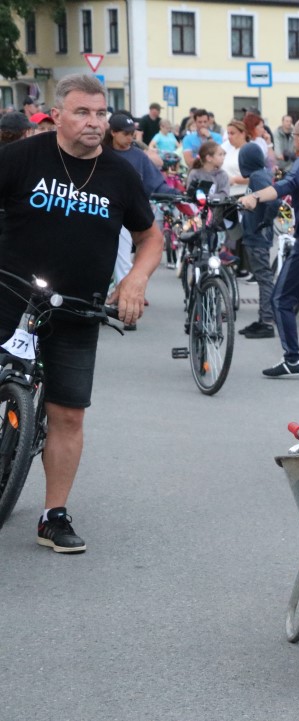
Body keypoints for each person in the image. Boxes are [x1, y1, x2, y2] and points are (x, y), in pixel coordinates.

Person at [0, 74, 162, 553]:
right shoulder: (20, 158)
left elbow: (150, 237)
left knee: (68, 414)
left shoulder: (119, 174)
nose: (95, 122)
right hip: (10, 296)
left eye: (100, 113)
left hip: (77, 309)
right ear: (57, 116)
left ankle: (53, 515)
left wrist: (135, 279)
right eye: (82, 112)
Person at [237, 117, 299, 376]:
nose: (293, 140)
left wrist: (255, 197)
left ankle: (292, 359)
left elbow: (285, 186)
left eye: (294, 136)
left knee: (281, 299)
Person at [105, 112, 178, 319]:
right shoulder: (101, 153)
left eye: (133, 133)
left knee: (123, 257)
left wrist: (175, 194)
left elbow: (156, 183)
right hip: (100, 213)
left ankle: (127, 302)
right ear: (113, 133)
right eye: (126, 134)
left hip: (127, 216)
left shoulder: (138, 156)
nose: (131, 137)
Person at [235, 143, 279, 339]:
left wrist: (264, 222)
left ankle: (267, 322)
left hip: (258, 235)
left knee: (264, 277)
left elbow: (274, 200)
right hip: (255, 234)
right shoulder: (259, 175)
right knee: (262, 277)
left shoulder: (258, 177)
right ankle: (263, 319)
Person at [221, 119, 249, 196]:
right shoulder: (229, 150)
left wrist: (234, 180)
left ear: (243, 134)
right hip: (227, 193)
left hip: (241, 193)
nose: (229, 137)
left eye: (232, 133)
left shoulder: (249, 151)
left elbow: (254, 177)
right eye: (228, 133)